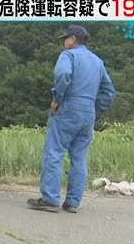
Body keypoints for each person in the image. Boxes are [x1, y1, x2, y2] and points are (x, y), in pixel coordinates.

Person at [27, 25, 116, 213]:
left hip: (68, 106)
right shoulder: (97, 62)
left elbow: (63, 74)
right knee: (79, 157)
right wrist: (95, 110)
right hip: (88, 111)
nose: (64, 42)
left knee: (54, 152)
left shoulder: (68, 55)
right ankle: (72, 202)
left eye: (65, 38)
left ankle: (50, 199)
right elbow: (109, 92)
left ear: (73, 39)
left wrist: (57, 99)